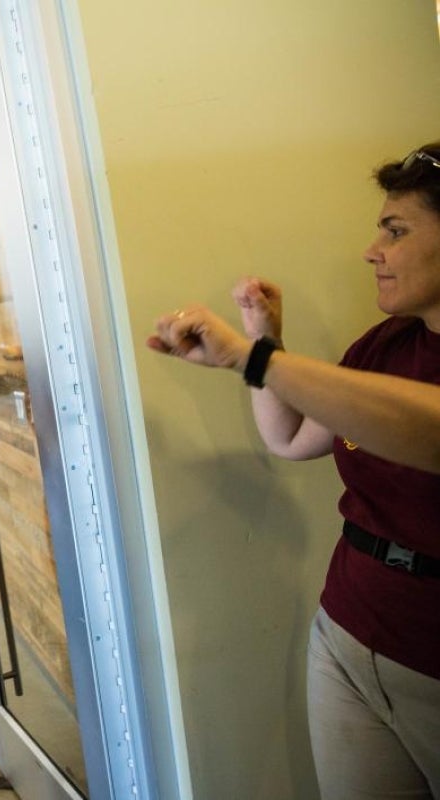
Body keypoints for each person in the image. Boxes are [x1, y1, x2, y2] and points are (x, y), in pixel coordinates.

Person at [146, 142, 440, 800]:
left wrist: (253, 359)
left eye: (395, 231)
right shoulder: (384, 344)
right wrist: (265, 339)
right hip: (348, 638)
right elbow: (291, 438)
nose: (373, 250)